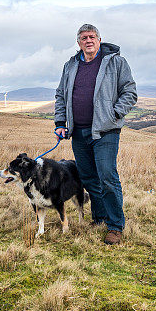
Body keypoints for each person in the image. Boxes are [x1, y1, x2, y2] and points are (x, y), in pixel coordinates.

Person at [53, 24, 137, 245]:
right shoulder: (70, 65)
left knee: (107, 176)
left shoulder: (116, 62)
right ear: (78, 42)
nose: (88, 40)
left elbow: (130, 91)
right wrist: (61, 122)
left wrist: (115, 113)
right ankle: (99, 217)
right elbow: (61, 95)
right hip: (79, 131)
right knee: (89, 178)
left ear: (99, 40)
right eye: (83, 38)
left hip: (106, 130)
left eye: (91, 37)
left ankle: (115, 226)